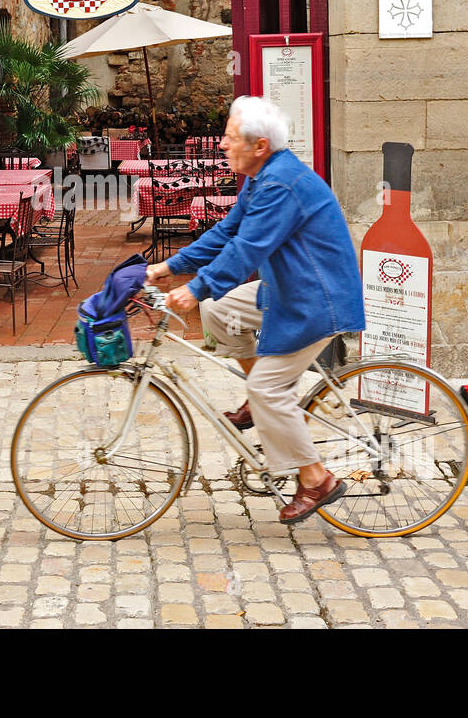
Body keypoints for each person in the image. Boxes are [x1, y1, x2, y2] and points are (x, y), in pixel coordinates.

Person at [146, 96, 366, 524]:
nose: (223, 146)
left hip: (316, 302)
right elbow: (228, 232)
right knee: (218, 311)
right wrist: (173, 266)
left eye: (230, 139)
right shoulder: (263, 177)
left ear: (259, 145)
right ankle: (261, 399)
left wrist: (195, 287)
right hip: (287, 289)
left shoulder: (281, 185)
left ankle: (316, 479)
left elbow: (248, 250)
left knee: (269, 389)